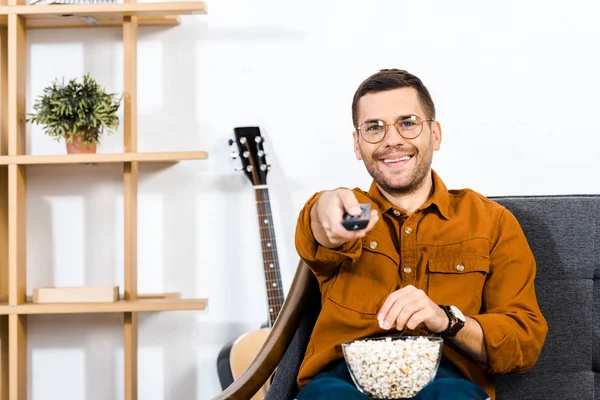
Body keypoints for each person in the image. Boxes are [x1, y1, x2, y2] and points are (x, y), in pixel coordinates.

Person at [293, 69, 548, 400]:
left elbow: (522, 344)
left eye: (408, 122)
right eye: (374, 127)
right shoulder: (348, 210)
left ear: (435, 134)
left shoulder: (491, 221)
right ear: (358, 145)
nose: (391, 139)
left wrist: (445, 319)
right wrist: (324, 208)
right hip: (342, 379)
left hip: (447, 377)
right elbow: (319, 231)